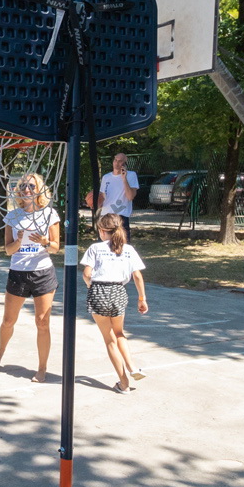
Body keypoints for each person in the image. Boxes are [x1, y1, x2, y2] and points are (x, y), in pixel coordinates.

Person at [0, 173, 60, 382]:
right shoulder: (12, 216)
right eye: (22, 186)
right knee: (8, 321)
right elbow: (8, 250)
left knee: (42, 322)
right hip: (18, 273)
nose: (26, 189)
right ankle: (0, 352)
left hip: (42, 272)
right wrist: (19, 241)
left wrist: (45, 241)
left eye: (31, 185)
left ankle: (42, 368)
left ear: (39, 189)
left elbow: (56, 248)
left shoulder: (50, 214)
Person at [82, 213, 150, 393]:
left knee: (109, 339)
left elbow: (87, 274)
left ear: (102, 230)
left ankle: (124, 382)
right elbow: (137, 275)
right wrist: (142, 298)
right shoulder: (128, 249)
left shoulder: (95, 248)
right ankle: (132, 366)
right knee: (119, 333)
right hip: (118, 291)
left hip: (99, 291)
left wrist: (91, 286)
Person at [97, 152, 140, 235]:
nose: (116, 163)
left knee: (121, 242)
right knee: (105, 242)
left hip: (121, 216)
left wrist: (124, 179)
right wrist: (95, 202)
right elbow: (102, 197)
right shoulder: (106, 177)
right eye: (115, 160)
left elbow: (130, 197)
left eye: (120, 161)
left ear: (125, 164)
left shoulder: (131, 175)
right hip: (106, 215)